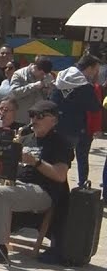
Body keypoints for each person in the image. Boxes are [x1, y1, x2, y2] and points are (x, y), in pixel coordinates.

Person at [0, 100, 71, 265]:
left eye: (40, 116)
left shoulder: (61, 143)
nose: (34, 120)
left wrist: (35, 162)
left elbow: (60, 175)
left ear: (54, 120)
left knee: (0, 194)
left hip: (44, 191)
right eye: (31, 115)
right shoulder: (24, 138)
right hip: (18, 185)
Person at [52, 54, 102, 188]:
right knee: (72, 159)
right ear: (89, 68)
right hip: (75, 127)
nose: (95, 73)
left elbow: (53, 101)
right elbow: (95, 107)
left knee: (57, 158)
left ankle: (54, 183)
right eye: (95, 69)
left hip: (56, 125)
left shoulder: (61, 77)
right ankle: (79, 187)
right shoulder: (84, 85)